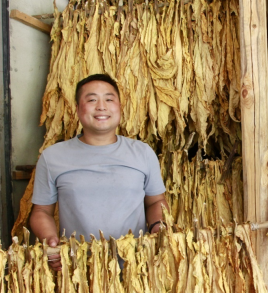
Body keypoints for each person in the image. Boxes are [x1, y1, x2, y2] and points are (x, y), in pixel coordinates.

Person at [30, 73, 168, 270]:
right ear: (77, 109)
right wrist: (51, 241)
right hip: (77, 267)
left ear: (120, 107)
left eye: (109, 99)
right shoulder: (53, 157)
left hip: (136, 267)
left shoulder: (142, 153)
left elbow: (156, 201)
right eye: (92, 99)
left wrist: (158, 227)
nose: (101, 106)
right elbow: (41, 211)